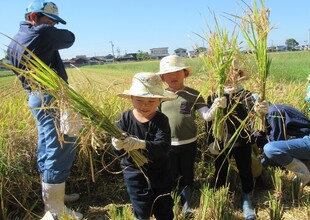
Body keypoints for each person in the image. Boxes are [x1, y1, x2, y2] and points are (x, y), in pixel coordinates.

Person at [7, 1, 82, 219]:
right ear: (33, 16)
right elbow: (70, 38)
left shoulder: (14, 42)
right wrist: (49, 32)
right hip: (51, 98)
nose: (53, 27)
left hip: (35, 97)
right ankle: (55, 210)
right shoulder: (42, 33)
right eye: (50, 21)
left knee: (47, 144)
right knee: (61, 145)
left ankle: (54, 196)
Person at [156, 55, 226, 216]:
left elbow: (207, 116)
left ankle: (187, 204)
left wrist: (216, 105)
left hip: (189, 142)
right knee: (171, 173)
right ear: (162, 77)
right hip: (168, 144)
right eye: (168, 73)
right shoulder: (159, 96)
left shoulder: (193, 94)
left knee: (187, 172)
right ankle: (173, 202)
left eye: (177, 72)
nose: (173, 76)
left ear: (185, 74)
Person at [205, 66, 268, 220]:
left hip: (242, 141)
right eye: (226, 72)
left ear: (239, 75)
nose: (230, 75)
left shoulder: (247, 96)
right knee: (220, 170)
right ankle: (219, 199)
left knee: (245, 170)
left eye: (234, 72)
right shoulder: (214, 95)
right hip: (221, 142)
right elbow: (209, 122)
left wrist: (262, 111)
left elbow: (254, 117)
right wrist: (211, 141)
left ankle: (247, 199)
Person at [111, 72, 174, 220]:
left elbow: (164, 146)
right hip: (134, 173)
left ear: (159, 100)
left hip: (160, 171)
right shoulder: (123, 119)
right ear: (132, 98)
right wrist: (117, 145)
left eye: (151, 102)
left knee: (164, 208)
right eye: (139, 100)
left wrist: (142, 144)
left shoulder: (161, 120)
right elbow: (117, 153)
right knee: (141, 209)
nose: (145, 106)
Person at [262, 104, 310, 187]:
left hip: (307, 139)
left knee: (270, 149)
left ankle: (303, 173)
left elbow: (276, 140)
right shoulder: (274, 108)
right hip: (304, 138)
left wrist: (262, 163)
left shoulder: (273, 112)